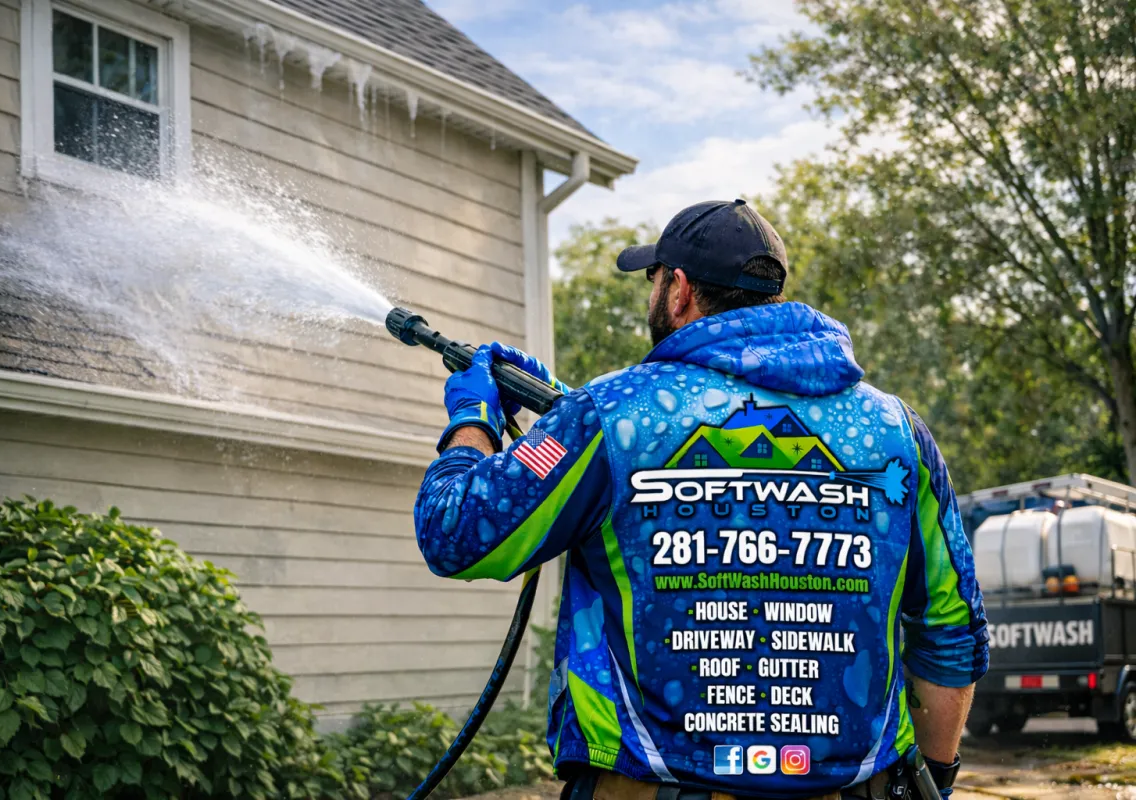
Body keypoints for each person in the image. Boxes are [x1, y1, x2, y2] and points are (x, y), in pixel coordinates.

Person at [412, 199, 989, 800]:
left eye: (653, 279)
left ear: (679, 290)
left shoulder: (609, 415)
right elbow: (951, 629)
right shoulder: (896, 431)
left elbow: (454, 531)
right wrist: (933, 780)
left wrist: (473, 419)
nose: (651, 293)